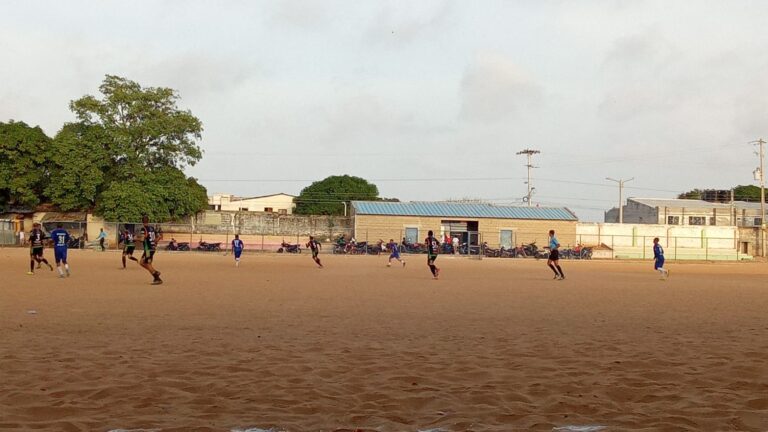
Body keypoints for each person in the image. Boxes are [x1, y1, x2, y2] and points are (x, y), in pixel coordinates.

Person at [138, 215, 162, 285]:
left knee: (146, 263)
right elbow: (159, 236)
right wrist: (155, 242)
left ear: (142, 222)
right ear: (148, 221)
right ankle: (155, 275)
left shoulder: (143, 229)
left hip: (148, 249)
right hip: (152, 248)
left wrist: (135, 238)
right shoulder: (152, 228)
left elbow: (142, 239)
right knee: (143, 262)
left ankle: (156, 275)